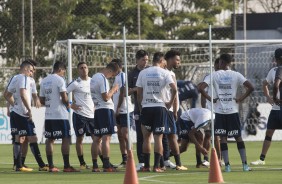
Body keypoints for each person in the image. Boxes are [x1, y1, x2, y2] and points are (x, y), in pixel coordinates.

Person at [198, 53, 254, 172]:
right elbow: (251, 87)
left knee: (222, 138)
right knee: (238, 137)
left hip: (219, 112)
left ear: (221, 62)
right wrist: (240, 99)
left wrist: (210, 99)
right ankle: (244, 165)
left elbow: (200, 88)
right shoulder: (236, 75)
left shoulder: (214, 75)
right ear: (230, 63)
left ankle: (227, 165)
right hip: (232, 111)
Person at [136, 52, 177, 172]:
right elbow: (174, 89)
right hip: (160, 107)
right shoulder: (165, 73)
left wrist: (140, 106)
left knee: (146, 138)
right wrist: (169, 103)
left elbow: (139, 92)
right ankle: (156, 166)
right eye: (165, 61)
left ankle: (147, 166)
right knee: (158, 138)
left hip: (147, 107)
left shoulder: (143, 72)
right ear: (162, 60)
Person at [4, 59, 48, 172]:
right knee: (28, 137)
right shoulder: (23, 78)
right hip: (22, 113)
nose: (32, 73)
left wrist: (12, 106)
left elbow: (7, 94)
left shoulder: (16, 78)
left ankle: (19, 164)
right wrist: (29, 110)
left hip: (16, 112)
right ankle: (36, 165)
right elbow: (23, 94)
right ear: (26, 69)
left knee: (24, 137)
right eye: (31, 70)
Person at [39, 61, 79, 172]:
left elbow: (41, 99)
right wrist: (69, 104)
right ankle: (66, 166)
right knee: (65, 138)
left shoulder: (44, 81)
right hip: (60, 115)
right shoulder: (60, 80)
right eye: (64, 71)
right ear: (61, 69)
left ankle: (51, 166)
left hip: (48, 115)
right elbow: (64, 98)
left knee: (50, 139)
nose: (64, 73)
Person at [90, 62, 119, 172]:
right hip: (105, 110)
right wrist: (114, 89)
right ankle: (107, 166)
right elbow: (106, 97)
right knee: (106, 138)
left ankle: (95, 165)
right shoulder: (102, 78)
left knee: (96, 139)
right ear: (110, 71)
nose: (111, 77)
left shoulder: (93, 77)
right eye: (112, 75)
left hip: (97, 110)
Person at [161, 49, 186, 170]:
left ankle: (164, 162)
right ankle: (178, 164)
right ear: (169, 59)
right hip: (167, 109)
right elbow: (174, 94)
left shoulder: (169, 73)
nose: (178, 62)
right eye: (177, 60)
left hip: (165, 108)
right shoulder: (167, 73)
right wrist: (175, 110)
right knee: (170, 136)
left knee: (163, 136)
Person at [66, 62, 94, 170]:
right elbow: (63, 92)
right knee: (80, 138)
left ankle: (98, 162)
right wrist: (70, 105)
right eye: (81, 68)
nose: (84, 69)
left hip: (92, 115)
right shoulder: (76, 83)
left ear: (88, 69)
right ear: (78, 70)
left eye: (85, 67)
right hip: (80, 115)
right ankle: (82, 162)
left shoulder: (93, 81)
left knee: (96, 139)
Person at [197, 58, 222, 167]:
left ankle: (219, 159)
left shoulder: (225, 77)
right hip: (209, 110)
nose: (219, 67)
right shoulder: (210, 77)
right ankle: (206, 158)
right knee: (208, 135)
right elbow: (203, 91)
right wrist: (204, 107)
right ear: (215, 65)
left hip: (221, 110)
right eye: (218, 64)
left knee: (217, 136)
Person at [127, 49, 149, 170]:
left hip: (152, 107)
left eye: (146, 60)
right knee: (140, 136)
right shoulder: (132, 74)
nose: (145, 62)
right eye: (143, 60)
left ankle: (162, 161)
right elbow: (126, 92)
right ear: (137, 60)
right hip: (139, 109)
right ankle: (141, 161)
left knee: (158, 134)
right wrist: (137, 88)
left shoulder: (150, 71)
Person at [112, 59, 134, 168]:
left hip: (125, 110)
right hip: (118, 110)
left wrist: (118, 108)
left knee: (125, 134)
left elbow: (122, 94)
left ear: (117, 66)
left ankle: (131, 158)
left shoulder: (122, 76)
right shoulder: (116, 77)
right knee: (120, 135)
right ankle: (125, 159)